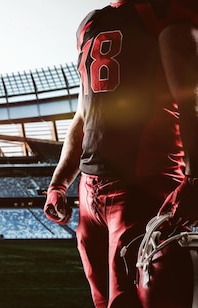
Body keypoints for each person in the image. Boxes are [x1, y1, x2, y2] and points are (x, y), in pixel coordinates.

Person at [43, 0, 198, 307]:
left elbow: (190, 103)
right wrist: (58, 184)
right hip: (90, 192)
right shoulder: (92, 23)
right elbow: (83, 116)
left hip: (143, 185)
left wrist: (194, 178)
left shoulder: (163, 10)